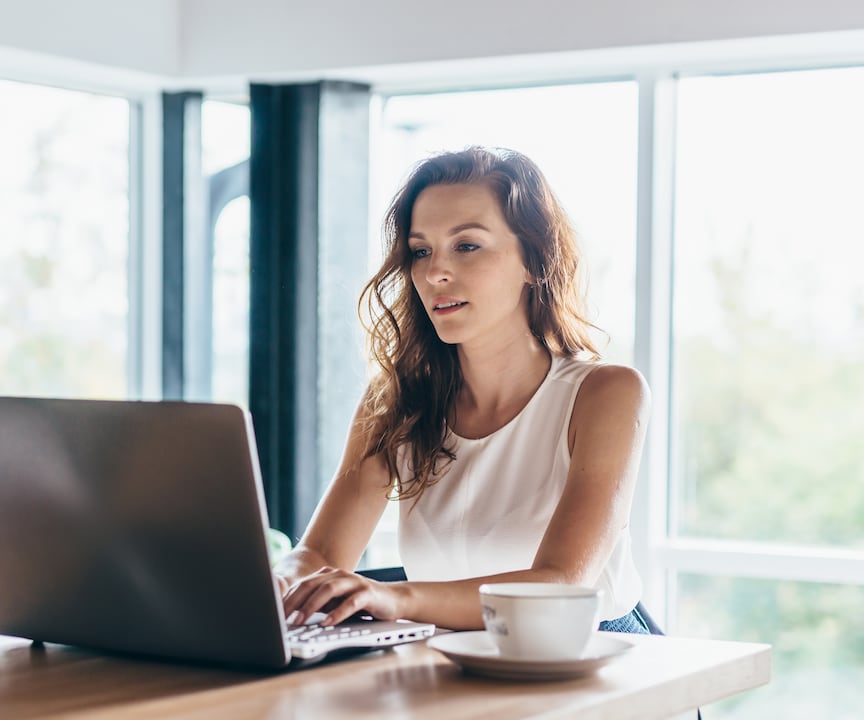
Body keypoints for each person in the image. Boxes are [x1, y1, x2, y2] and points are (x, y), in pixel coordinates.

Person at [275, 146, 652, 634]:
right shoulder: (395, 401)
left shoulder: (606, 393)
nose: (435, 273)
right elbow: (320, 554)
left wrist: (396, 597)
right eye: (420, 250)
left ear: (534, 261)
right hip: (451, 654)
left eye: (467, 246)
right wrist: (273, 584)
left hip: (593, 660)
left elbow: (560, 585)